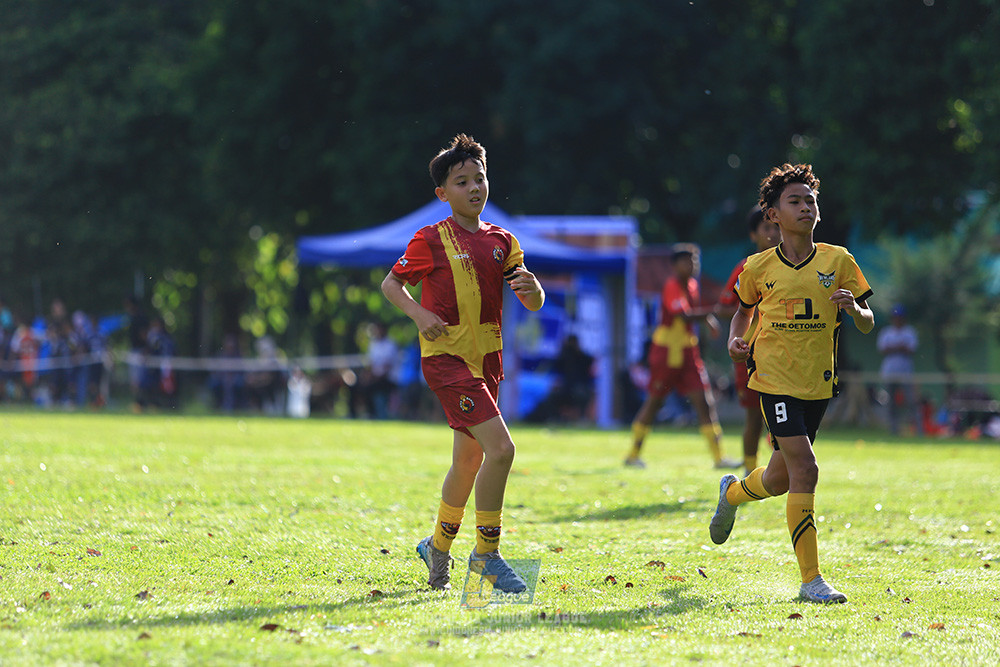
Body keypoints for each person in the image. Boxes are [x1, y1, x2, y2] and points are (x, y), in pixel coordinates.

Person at [381, 133, 545, 592]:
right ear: (443, 193)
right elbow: (391, 286)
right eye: (461, 181)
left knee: (471, 461)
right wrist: (419, 312)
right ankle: (487, 556)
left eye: (480, 178)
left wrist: (534, 291)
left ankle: (437, 547)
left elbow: (532, 301)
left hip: (486, 363)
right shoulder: (430, 239)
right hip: (447, 360)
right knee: (503, 450)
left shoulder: (503, 241)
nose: (474, 187)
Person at [709, 163, 874, 604]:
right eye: (794, 201)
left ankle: (734, 492)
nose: (806, 207)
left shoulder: (838, 261)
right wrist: (734, 341)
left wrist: (854, 311)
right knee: (807, 469)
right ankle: (811, 581)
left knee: (782, 479)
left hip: (818, 383)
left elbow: (867, 322)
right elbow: (742, 311)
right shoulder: (757, 266)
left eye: (810, 200)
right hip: (773, 381)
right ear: (773, 215)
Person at [624, 245, 739, 469]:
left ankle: (719, 457)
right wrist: (714, 312)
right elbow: (683, 315)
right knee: (654, 402)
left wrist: (707, 320)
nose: (692, 265)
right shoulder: (671, 286)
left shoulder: (693, 285)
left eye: (694, 261)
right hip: (666, 352)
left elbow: (690, 314)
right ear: (674, 265)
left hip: (687, 352)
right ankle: (633, 454)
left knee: (704, 402)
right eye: (686, 261)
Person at [716, 206, 781, 474]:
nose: (774, 233)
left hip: (783, 355)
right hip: (751, 356)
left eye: (777, 226)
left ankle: (785, 470)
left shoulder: (791, 266)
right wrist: (750, 308)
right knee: (754, 418)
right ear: (754, 234)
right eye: (767, 228)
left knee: (782, 417)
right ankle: (751, 474)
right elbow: (723, 308)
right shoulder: (746, 267)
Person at [877, 304, 920, 435]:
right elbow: (883, 349)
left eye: (900, 317)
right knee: (891, 403)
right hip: (889, 372)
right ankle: (893, 430)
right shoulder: (886, 332)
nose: (897, 319)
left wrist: (894, 347)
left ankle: (917, 429)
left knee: (911, 401)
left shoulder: (909, 332)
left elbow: (911, 349)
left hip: (905, 372)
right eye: (895, 317)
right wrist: (900, 346)